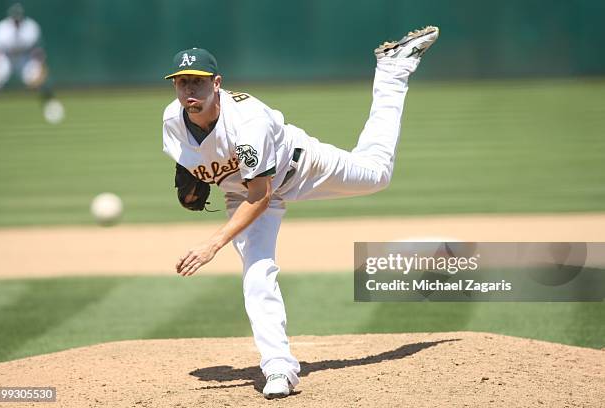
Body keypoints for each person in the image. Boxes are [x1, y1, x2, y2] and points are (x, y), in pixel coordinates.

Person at [162, 26, 439, 399]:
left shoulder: (247, 122)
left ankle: (393, 70)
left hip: (300, 167)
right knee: (257, 273)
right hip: (239, 194)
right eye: (181, 83)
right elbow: (197, 162)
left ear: (217, 84)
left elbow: (260, 196)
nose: (188, 91)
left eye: (196, 82)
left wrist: (213, 244)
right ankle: (279, 368)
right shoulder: (171, 122)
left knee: (377, 174)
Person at [0, 3, 64, 123]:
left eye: (18, 17)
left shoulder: (31, 28)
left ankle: (50, 105)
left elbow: (37, 50)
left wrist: (40, 64)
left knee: (38, 79)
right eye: (14, 18)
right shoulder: (1, 29)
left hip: (23, 58)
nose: (17, 20)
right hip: (5, 58)